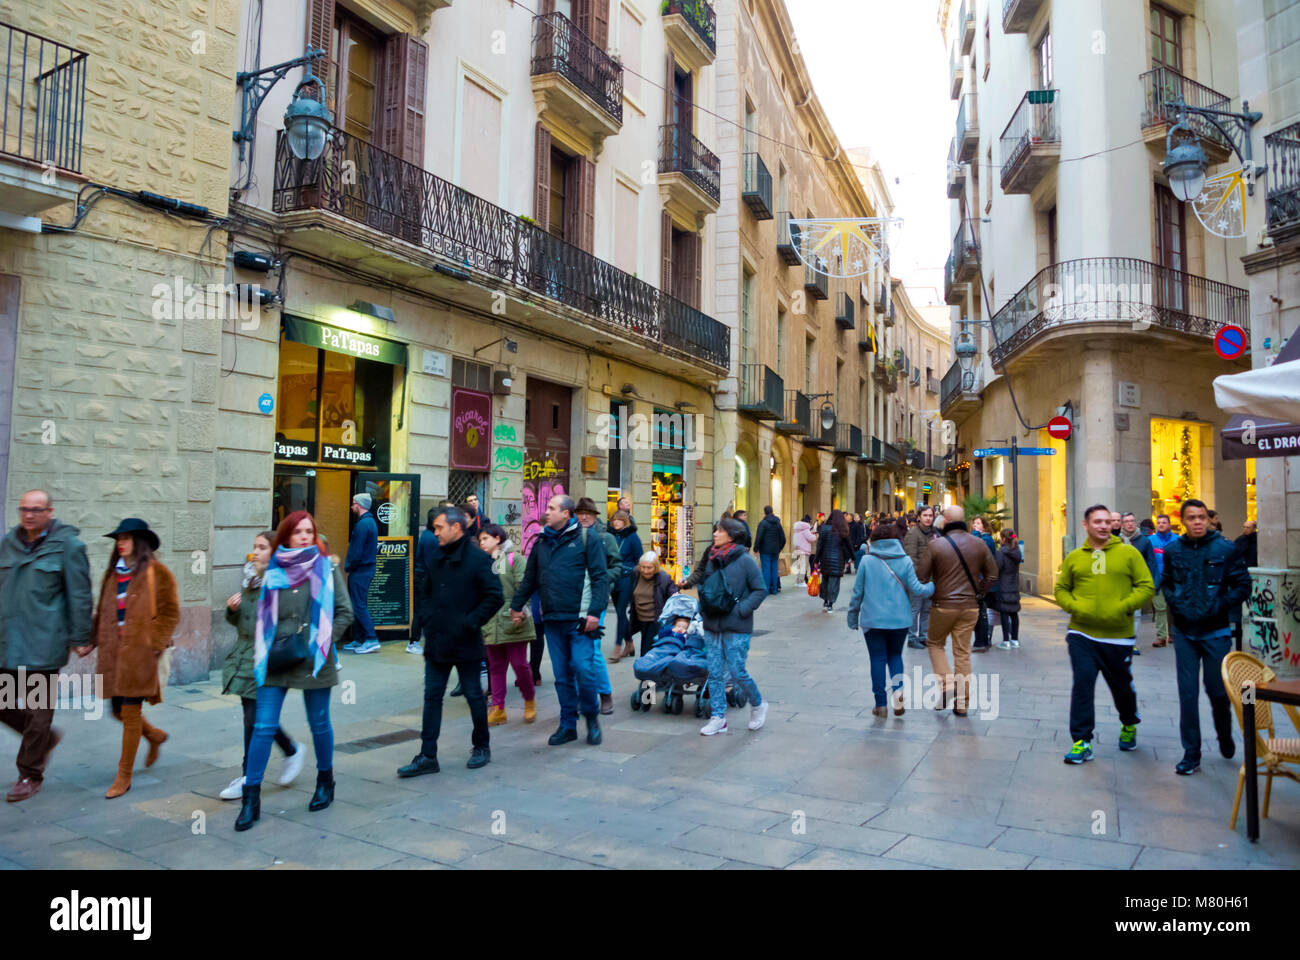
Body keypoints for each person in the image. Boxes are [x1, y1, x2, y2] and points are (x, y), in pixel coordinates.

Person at [235, 510, 354, 831]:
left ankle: (325, 782)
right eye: (298, 531)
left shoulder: (326, 568)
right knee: (263, 726)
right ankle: (251, 798)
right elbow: (255, 617)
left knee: (318, 723)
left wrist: (324, 641)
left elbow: (345, 612)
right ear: (286, 535)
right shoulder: (272, 570)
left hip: (314, 657)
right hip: (276, 658)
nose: (304, 536)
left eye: (309, 531)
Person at [0, 490, 93, 803]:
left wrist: (81, 637)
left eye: (36, 510)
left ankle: (29, 773)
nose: (29, 515)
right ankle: (44, 740)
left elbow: (80, 594)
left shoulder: (69, 546)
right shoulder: (7, 543)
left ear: (50, 511)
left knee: (39, 714)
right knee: (3, 703)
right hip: (8, 641)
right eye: (24, 509)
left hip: (45, 643)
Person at [398, 507, 503, 779]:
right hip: (437, 642)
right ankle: (427, 755)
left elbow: (495, 596)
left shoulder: (479, 560)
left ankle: (481, 746)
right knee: (432, 698)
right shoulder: (435, 556)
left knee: (472, 696)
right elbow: (425, 593)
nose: (434, 532)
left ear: (456, 528)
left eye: (438, 527)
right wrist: (426, 620)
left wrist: (469, 622)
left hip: (466, 642)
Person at [1054, 504, 1154, 765]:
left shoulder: (1128, 553)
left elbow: (1146, 587)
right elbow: (1061, 589)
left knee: (1121, 688)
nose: (1102, 526)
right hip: (1081, 634)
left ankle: (1129, 722)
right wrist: (1075, 607)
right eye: (1097, 521)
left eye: (1107, 521)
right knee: (1082, 686)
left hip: (1117, 637)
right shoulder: (1075, 557)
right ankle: (1081, 741)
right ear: (1085, 525)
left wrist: (1123, 607)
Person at [1160, 499, 1251, 776]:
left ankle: (1224, 734)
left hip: (1216, 632)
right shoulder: (1173, 550)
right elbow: (1167, 582)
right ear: (1183, 521)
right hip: (1185, 632)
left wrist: (1220, 605)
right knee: (1187, 694)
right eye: (1191, 518)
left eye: (1201, 517)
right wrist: (1178, 603)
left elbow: (1243, 585)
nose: (1197, 522)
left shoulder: (1226, 548)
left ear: (1209, 519)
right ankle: (1192, 752)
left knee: (1217, 691)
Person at [509, 495, 610, 747]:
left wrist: (595, 612)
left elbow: (600, 577)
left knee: (585, 671)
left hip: (580, 620)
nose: (546, 512)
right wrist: (516, 606)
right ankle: (568, 725)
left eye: (552, 508)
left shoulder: (588, 539)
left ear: (566, 513)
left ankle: (591, 717)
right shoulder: (541, 541)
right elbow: (530, 577)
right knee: (562, 675)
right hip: (552, 619)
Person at [91, 519, 180, 799]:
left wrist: (152, 642)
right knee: (116, 711)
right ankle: (155, 736)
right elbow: (103, 612)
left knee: (130, 712)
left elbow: (170, 612)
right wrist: (90, 640)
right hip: (113, 655)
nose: (120, 542)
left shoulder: (157, 572)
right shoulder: (112, 574)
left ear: (139, 543)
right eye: (119, 538)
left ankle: (124, 775)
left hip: (140, 655)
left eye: (126, 538)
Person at [220, 531, 305, 801]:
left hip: (268, 657)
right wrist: (232, 611)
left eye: (261, 547)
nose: (255, 552)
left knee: (253, 718)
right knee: (256, 717)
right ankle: (291, 750)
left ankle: (248, 777)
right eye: (254, 547)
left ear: (274, 551)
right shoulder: (251, 579)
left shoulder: (279, 582)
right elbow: (244, 624)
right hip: (245, 655)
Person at [680, 517, 767, 735]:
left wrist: (742, 610)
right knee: (715, 672)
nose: (715, 534)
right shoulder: (711, 556)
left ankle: (758, 704)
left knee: (737, 671)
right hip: (711, 622)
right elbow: (704, 579)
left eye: (719, 531)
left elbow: (760, 589)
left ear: (731, 535)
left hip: (736, 625)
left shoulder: (746, 561)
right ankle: (718, 717)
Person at [846, 522, 934, 718]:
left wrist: (852, 617)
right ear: (896, 540)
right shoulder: (905, 561)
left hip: (873, 621)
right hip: (899, 621)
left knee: (877, 659)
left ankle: (881, 705)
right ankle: (899, 697)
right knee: (895, 657)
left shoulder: (867, 561)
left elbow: (857, 593)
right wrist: (932, 587)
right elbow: (918, 589)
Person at [917, 506, 998, 716]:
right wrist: (979, 593)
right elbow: (992, 575)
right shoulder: (979, 544)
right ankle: (962, 704)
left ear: (944, 521)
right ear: (964, 521)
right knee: (962, 654)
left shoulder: (936, 545)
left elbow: (922, 577)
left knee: (934, 643)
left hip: (943, 605)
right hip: (970, 606)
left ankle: (946, 685)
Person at [477, 524, 537, 726]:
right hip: (490, 623)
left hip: (513, 621)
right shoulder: (483, 562)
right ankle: (498, 708)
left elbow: (523, 587)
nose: (482, 543)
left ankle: (529, 700)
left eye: (485, 539)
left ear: (498, 539)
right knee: (495, 667)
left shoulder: (515, 559)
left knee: (519, 664)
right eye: (481, 540)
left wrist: (518, 610)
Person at [574, 497, 620, 714]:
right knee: (574, 653)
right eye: (580, 513)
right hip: (572, 600)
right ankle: (582, 696)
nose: (583, 517)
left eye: (588, 514)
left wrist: (599, 578)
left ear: (595, 516)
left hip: (596, 599)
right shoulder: (570, 537)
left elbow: (618, 566)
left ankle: (605, 694)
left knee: (592, 650)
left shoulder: (605, 538)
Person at [342, 493, 380, 654]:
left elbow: (357, 551)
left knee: (359, 605)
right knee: (359, 604)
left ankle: (371, 639)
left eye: (353, 503)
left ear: (359, 504)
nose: (352, 507)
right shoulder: (370, 522)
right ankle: (360, 639)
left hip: (361, 570)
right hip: (365, 569)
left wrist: (349, 565)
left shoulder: (363, 525)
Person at [608, 510, 644, 662]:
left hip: (627, 578)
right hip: (613, 578)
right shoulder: (610, 537)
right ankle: (629, 643)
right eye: (614, 520)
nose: (616, 522)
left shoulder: (632, 537)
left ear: (625, 521)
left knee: (622, 611)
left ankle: (618, 645)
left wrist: (630, 571)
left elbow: (640, 559)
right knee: (619, 612)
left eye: (619, 520)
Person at [902, 505, 938, 650]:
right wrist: (918, 578)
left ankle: (923, 636)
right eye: (925, 515)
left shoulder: (934, 533)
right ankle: (912, 637)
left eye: (930, 515)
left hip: (930, 579)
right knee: (915, 609)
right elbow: (911, 557)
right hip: (917, 579)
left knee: (927, 610)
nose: (928, 518)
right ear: (919, 517)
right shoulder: (913, 533)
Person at [1121, 512, 1158, 653]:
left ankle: (1131, 642)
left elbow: (1151, 562)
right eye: (1127, 521)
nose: (1130, 523)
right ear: (1122, 524)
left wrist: (1153, 583)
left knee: (1136, 615)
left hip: (1137, 583)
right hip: (1121, 583)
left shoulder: (1144, 541)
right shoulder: (1117, 539)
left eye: (1132, 521)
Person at [629, 552, 677, 655]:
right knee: (646, 650)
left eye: (649, 568)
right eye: (643, 567)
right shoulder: (636, 573)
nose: (645, 571)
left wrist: (675, 595)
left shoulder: (664, 578)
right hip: (639, 619)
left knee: (648, 653)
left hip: (655, 621)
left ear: (655, 567)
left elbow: (673, 593)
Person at [814, 510, 853, 612]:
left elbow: (820, 546)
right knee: (834, 583)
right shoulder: (843, 529)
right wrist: (853, 557)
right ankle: (830, 604)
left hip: (825, 560)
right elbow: (849, 545)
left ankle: (825, 602)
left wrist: (816, 559)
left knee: (825, 581)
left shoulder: (823, 528)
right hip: (837, 561)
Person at [1149, 514, 1177, 648]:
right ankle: (1161, 637)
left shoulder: (1177, 540)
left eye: (1164, 522)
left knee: (1173, 608)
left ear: (1169, 525)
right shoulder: (1150, 541)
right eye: (1159, 522)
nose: (1161, 524)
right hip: (1157, 580)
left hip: (1174, 580)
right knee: (1160, 608)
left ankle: (1172, 634)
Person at [993, 529, 1023, 649]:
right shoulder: (1017, 551)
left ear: (1004, 539)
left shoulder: (1002, 552)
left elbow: (997, 568)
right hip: (1014, 584)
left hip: (1004, 584)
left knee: (1004, 612)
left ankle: (1006, 641)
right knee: (1014, 613)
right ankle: (1015, 640)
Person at [753, 506, 787, 596]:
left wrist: (755, 548)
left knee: (766, 569)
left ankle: (766, 590)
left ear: (765, 513)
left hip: (765, 550)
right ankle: (774, 589)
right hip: (775, 550)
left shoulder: (763, 523)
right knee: (774, 569)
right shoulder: (777, 523)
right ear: (772, 512)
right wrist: (779, 548)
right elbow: (783, 538)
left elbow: (758, 537)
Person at [791, 515, 815, 585]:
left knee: (800, 566)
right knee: (803, 567)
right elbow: (811, 538)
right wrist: (815, 536)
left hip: (799, 549)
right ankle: (801, 582)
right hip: (804, 550)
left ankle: (798, 581)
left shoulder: (798, 529)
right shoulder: (805, 529)